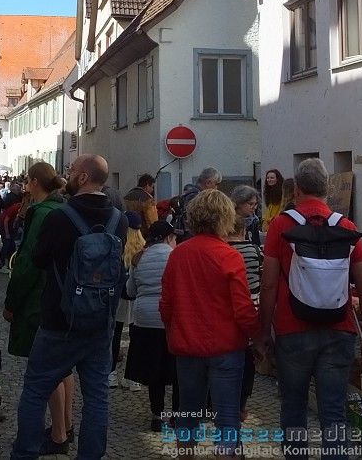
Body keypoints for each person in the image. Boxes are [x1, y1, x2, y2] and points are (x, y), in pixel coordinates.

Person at [9, 154, 128, 460]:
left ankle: (25, 453)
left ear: (84, 178)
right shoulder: (120, 220)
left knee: (36, 389)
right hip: (101, 320)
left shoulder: (59, 217)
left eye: (73, 171)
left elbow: (37, 260)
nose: (68, 174)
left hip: (59, 319)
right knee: (97, 397)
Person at [259, 158, 362, 459]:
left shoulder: (281, 226)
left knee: (294, 407)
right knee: (334, 411)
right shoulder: (346, 227)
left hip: (291, 329)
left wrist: (263, 332)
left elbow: (269, 285)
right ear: (326, 189)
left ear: (296, 189)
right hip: (339, 329)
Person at [160, 189, 259, 456]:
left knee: (188, 413)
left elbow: (166, 304)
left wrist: (171, 336)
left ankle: (186, 455)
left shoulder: (178, 254)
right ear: (225, 218)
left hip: (187, 346)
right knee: (227, 417)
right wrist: (258, 339)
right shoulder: (229, 256)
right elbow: (243, 309)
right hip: (226, 347)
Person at [3, 162, 73, 455]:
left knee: (46, 370)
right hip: (61, 296)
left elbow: (28, 263)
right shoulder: (64, 208)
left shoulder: (42, 213)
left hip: (39, 300)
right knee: (64, 367)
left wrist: (11, 302)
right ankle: (65, 425)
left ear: (32, 182)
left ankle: (58, 436)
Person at [125, 220, 178, 432]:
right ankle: (176, 415)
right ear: (169, 238)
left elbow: (130, 291)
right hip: (170, 319)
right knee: (175, 370)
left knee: (154, 372)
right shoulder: (175, 256)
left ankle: (157, 415)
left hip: (145, 318)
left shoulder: (139, 258)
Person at [226, 185, 263, 420]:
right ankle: (239, 405)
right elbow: (261, 277)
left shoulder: (220, 249)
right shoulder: (250, 249)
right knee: (246, 359)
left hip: (225, 313)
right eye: (251, 204)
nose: (254, 208)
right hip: (250, 306)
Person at [110, 210, 145, 390]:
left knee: (114, 335)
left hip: (119, 297)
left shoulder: (118, 244)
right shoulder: (144, 248)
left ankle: (111, 374)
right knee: (136, 338)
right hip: (137, 298)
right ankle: (133, 378)